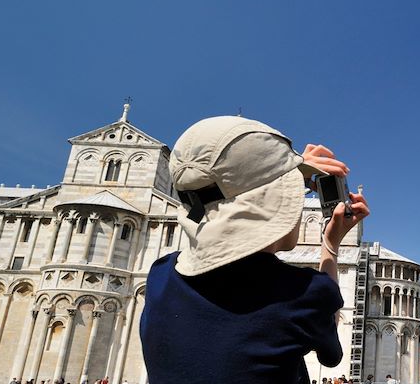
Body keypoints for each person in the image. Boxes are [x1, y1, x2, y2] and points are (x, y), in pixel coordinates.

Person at [140, 116, 369, 383]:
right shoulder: (303, 293)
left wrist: (284, 169)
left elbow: (213, 196)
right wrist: (330, 246)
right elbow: (331, 356)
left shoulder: (161, 276)